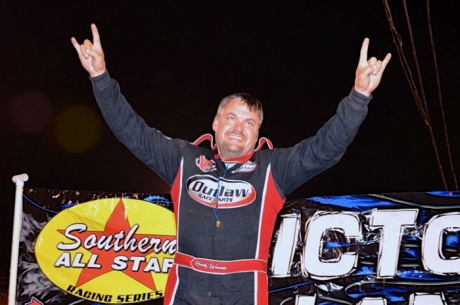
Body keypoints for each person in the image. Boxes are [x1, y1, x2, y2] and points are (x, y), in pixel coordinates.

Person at [71, 24, 391, 305]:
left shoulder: (272, 169)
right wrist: (100, 78)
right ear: (215, 121)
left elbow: (325, 150)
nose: (239, 128)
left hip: (243, 293)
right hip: (184, 291)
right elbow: (132, 131)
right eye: (232, 118)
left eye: (249, 123)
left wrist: (358, 97)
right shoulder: (182, 159)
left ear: (258, 133)